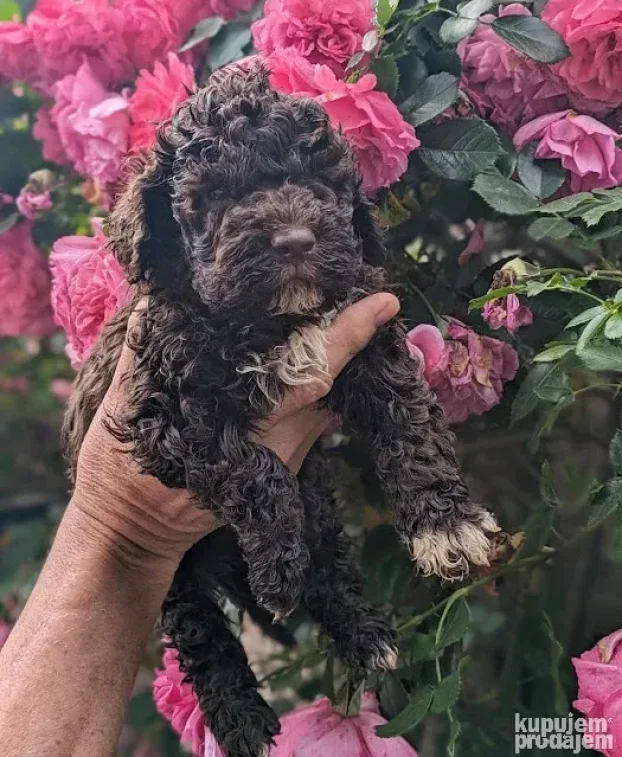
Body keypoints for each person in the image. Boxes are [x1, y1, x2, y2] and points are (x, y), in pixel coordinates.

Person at [0, 292, 400, 757]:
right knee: (191, 600)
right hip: (171, 464)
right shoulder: (176, 318)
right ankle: (230, 697)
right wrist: (125, 524)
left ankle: (343, 616)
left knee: (310, 502)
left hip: (269, 487)